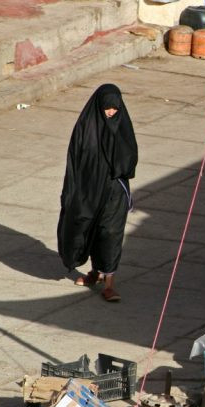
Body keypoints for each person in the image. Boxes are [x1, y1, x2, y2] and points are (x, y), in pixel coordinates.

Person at [57, 84, 137, 302]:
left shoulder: (122, 127)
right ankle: (94, 272)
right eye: (107, 108)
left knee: (110, 234)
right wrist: (71, 192)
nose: (111, 113)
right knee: (88, 229)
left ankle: (109, 284)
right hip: (88, 190)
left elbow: (130, 161)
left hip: (114, 192)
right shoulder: (85, 127)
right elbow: (74, 162)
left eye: (115, 109)